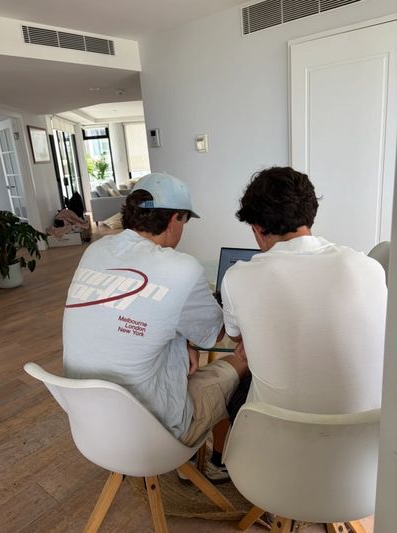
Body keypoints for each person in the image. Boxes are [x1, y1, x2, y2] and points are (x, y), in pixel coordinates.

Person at [63, 172, 247, 481]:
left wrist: (182, 341)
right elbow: (217, 334)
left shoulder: (95, 250)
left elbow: (132, 312)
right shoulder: (181, 268)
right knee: (242, 359)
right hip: (153, 437)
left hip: (90, 429)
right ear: (175, 218)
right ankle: (217, 463)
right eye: (185, 221)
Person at [222, 166, 387, 416]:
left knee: (237, 389)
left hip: (274, 431)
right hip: (366, 432)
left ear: (257, 228)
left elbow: (235, 338)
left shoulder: (237, 278)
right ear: (310, 215)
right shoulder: (369, 267)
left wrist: (255, 340)